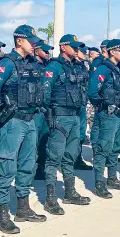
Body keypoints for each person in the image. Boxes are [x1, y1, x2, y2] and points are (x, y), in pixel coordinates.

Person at [0, 25, 47, 234]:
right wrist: (4, 110)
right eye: (31, 41)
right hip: (12, 121)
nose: (34, 44)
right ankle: (2, 214)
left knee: (27, 165)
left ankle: (23, 208)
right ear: (19, 41)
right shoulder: (7, 63)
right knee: (6, 166)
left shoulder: (33, 63)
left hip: (30, 120)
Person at [41, 34, 91, 211]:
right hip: (60, 117)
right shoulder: (55, 66)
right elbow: (44, 93)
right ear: (63, 47)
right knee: (54, 157)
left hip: (75, 116)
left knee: (70, 155)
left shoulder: (77, 67)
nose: (78, 50)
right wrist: (50, 116)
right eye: (74, 47)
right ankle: (50, 198)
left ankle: (70, 192)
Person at [88, 39, 120, 198]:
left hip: (118, 114)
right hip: (107, 114)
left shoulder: (118, 69)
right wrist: (104, 107)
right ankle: (99, 182)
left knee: (116, 147)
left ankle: (112, 178)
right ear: (113, 52)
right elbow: (92, 92)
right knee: (103, 148)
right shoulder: (103, 69)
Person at [32, 40, 53, 181]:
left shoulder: (48, 66)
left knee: (44, 140)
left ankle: (41, 168)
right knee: (32, 142)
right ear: (37, 50)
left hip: (46, 108)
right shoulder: (31, 65)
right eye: (44, 51)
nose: (47, 53)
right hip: (35, 110)